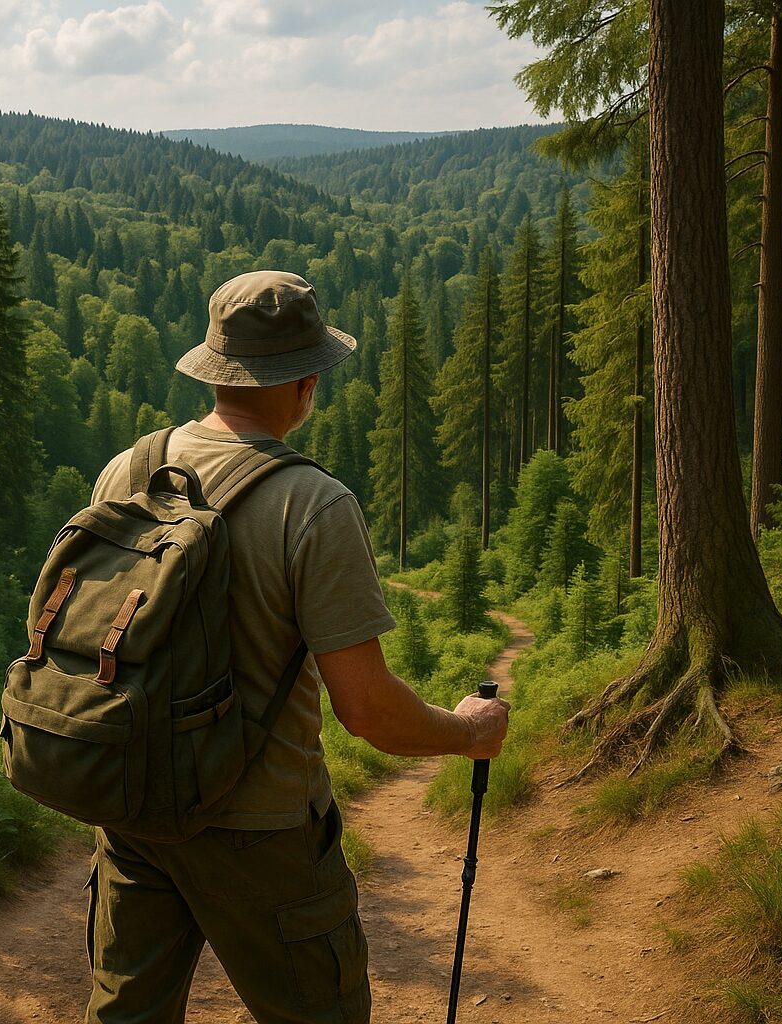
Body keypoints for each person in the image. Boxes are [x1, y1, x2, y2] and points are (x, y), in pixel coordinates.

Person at [85, 270, 510, 1024]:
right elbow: (368, 710)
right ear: (306, 382)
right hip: (265, 831)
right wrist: (466, 732)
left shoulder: (131, 467)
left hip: (133, 810)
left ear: (215, 370)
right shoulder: (314, 504)